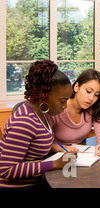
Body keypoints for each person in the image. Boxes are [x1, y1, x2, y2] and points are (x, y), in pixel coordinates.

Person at [0, 60, 76, 188]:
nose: (65, 106)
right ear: (43, 95)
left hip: (36, 181)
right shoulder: (24, 122)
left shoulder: (42, 114)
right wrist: (54, 164)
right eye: (63, 101)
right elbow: (6, 169)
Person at [48, 69, 100, 157]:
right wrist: (63, 148)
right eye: (88, 91)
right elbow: (43, 143)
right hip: (55, 156)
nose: (91, 98)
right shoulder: (57, 108)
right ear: (76, 87)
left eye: (96, 95)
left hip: (81, 155)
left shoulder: (95, 108)